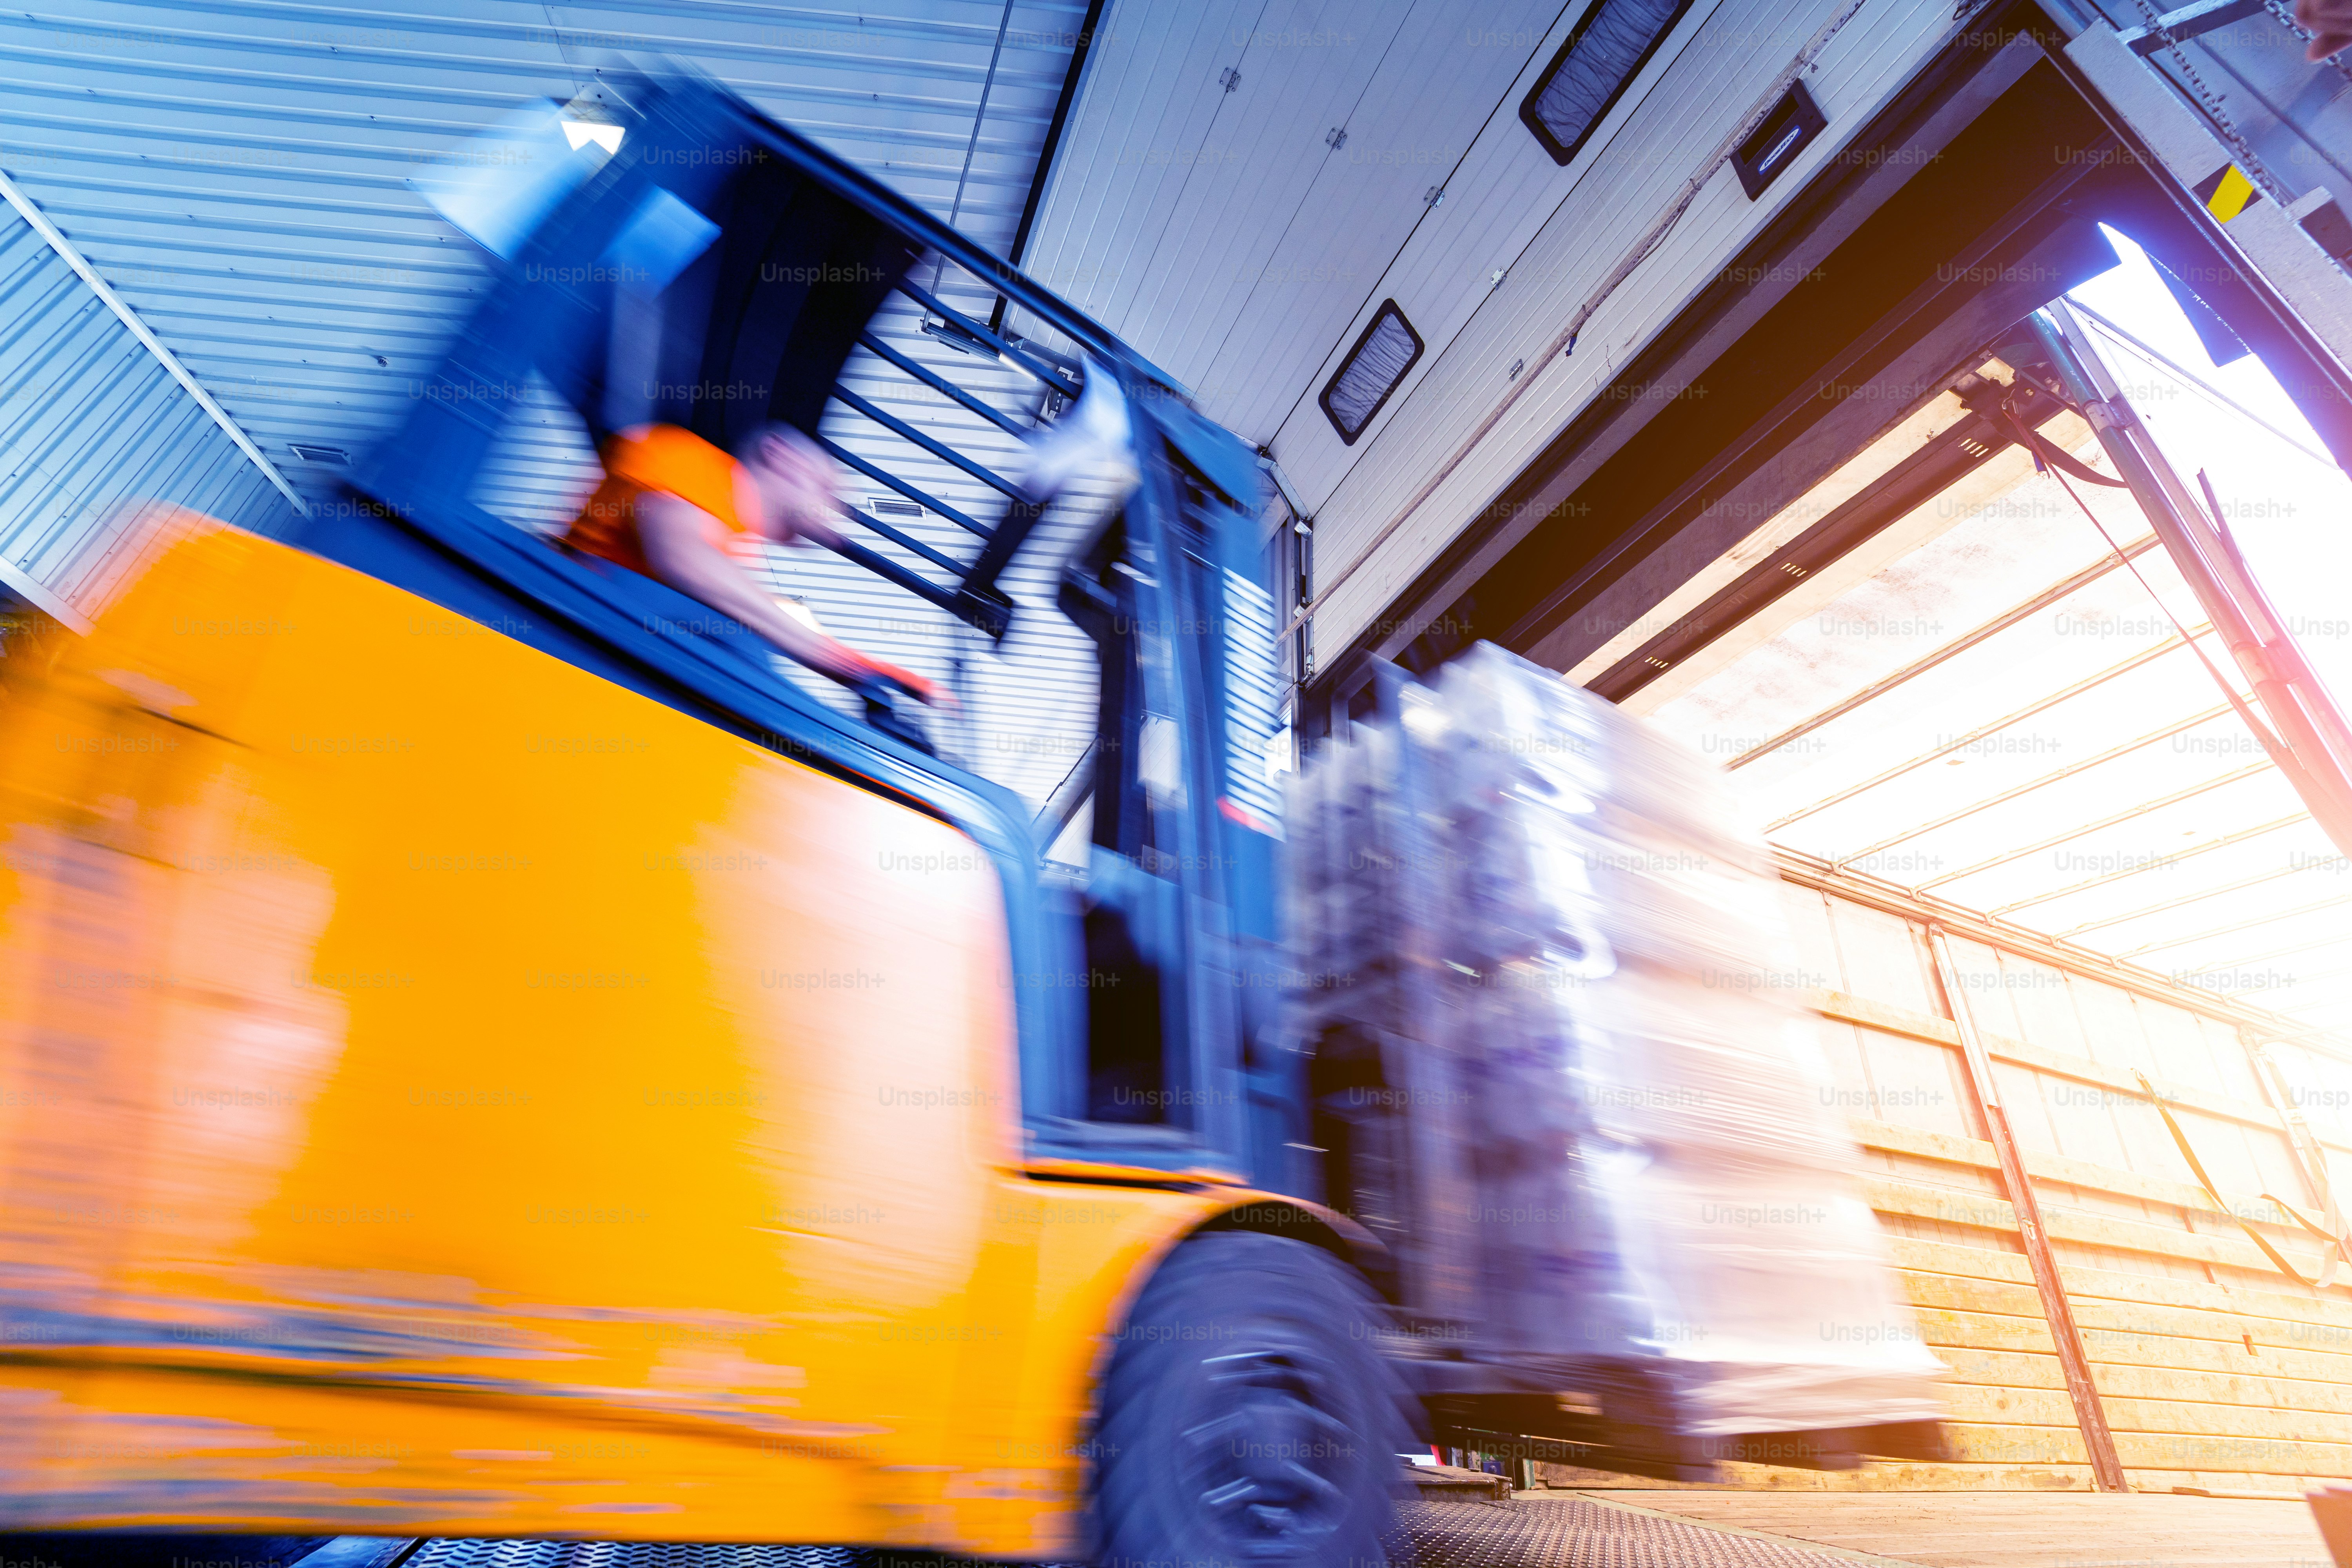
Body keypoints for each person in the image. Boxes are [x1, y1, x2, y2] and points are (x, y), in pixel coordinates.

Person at [563, 421, 949, 706]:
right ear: (780, 455)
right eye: (827, 491)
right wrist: (846, 666)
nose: (834, 514)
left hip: (599, 664)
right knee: (742, 642)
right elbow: (682, 556)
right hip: (564, 633)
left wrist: (864, 669)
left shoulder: (735, 548)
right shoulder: (691, 459)